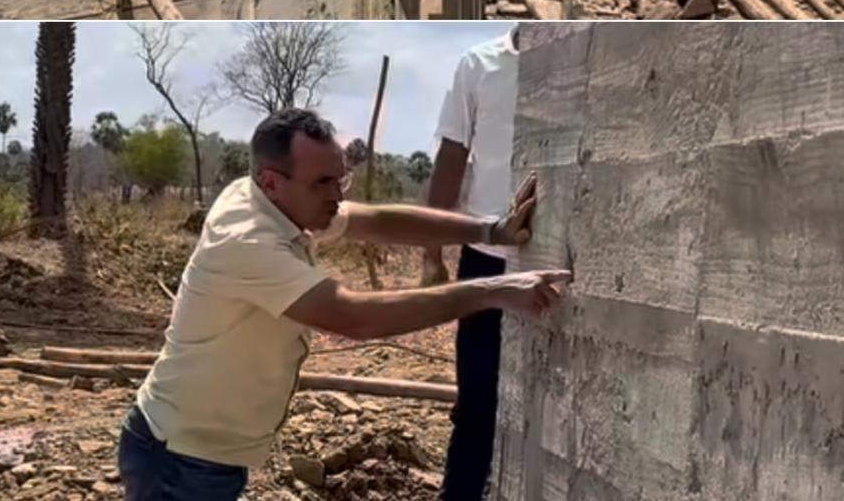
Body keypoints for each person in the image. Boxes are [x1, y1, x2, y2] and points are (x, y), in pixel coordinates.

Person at [118, 107, 569, 501]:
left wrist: (492, 231)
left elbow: (376, 220)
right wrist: (495, 291)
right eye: (323, 183)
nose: (338, 195)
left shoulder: (278, 199)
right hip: (180, 458)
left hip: (202, 450)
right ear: (272, 183)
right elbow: (353, 316)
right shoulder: (246, 241)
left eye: (341, 178)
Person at [422, 27, 522, 500]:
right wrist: (432, 251)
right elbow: (452, 157)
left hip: (558, 256)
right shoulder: (480, 64)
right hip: (487, 258)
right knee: (479, 396)